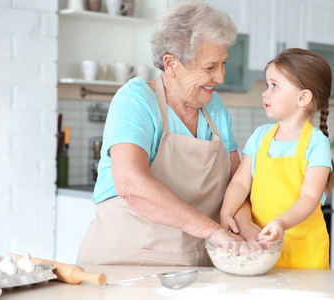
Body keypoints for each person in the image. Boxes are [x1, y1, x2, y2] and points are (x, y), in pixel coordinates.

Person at [76, 0, 245, 267]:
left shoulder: (215, 108)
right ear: (171, 64)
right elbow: (133, 185)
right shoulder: (136, 101)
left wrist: (246, 227)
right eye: (210, 67)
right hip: (125, 265)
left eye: (223, 63)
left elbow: (238, 182)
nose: (221, 77)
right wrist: (212, 230)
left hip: (196, 268)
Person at [220, 48, 334, 270]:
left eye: (274, 86)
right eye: (266, 85)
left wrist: (282, 223)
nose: (265, 93)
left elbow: (310, 197)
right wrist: (226, 212)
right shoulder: (260, 136)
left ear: (303, 97)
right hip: (261, 246)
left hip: (304, 250)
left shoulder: (317, 143)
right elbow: (240, 182)